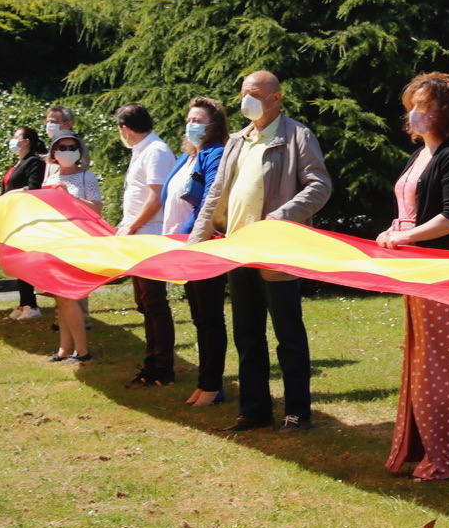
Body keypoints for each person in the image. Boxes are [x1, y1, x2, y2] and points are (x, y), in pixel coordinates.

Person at [189, 71, 332, 433]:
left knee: (288, 335)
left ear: (276, 98)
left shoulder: (297, 135)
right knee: (247, 334)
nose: (246, 101)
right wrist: (196, 243)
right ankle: (254, 411)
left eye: (253, 94)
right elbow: (216, 193)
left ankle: (297, 412)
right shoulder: (238, 139)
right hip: (239, 249)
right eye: (243, 93)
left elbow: (319, 186)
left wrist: (281, 216)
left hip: (277, 251)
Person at [375, 72, 449, 480]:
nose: (414, 114)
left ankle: (446, 457)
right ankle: (421, 448)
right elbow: (408, 211)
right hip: (415, 269)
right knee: (420, 361)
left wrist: (405, 237)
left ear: (446, 112)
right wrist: (394, 233)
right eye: (412, 106)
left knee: (441, 365)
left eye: (424, 106)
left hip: (442, 272)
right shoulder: (419, 156)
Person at [163, 97, 230, 407]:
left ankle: (212, 386)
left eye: (198, 120)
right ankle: (205, 383)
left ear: (213, 125)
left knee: (209, 317)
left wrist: (192, 237)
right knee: (199, 317)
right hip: (181, 245)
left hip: (203, 245)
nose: (191, 125)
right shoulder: (188, 156)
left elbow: (211, 198)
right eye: (189, 120)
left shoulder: (215, 153)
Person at [115, 103, 179, 387]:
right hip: (137, 234)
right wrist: (125, 226)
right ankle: (151, 362)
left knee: (154, 301)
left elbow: (156, 198)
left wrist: (132, 226)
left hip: (149, 235)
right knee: (144, 301)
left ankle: (162, 367)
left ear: (125, 129)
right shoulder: (141, 150)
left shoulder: (155, 151)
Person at [43, 131, 101, 362]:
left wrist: (70, 197)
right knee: (61, 299)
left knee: (69, 297)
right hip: (54, 241)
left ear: (79, 151)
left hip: (78, 242)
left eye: (71, 147)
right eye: (62, 148)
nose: (67, 152)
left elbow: (97, 209)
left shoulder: (87, 176)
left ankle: (82, 351)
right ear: (53, 152)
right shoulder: (49, 179)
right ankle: (64, 349)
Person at [2, 125, 46, 321]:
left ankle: (31, 305)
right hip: (13, 216)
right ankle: (23, 303)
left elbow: (35, 187)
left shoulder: (34, 162)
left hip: (26, 217)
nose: (12, 140)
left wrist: (13, 193)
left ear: (26, 142)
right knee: (17, 261)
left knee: (24, 261)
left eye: (16, 137)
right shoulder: (18, 163)